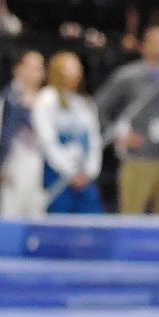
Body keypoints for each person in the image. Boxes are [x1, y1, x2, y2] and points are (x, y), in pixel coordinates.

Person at [94, 25, 159, 215]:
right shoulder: (128, 75)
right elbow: (100, 107)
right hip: (139, 158)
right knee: (131, 213)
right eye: (155, 42)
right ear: (144, 46)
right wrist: (120, 135)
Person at [32, 51, 103, 215]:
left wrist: (90, 171)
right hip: (58, 174)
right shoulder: (46, 99)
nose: (74, 72)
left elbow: (94, 139)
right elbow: (47, 140)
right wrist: (70, 171)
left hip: (85, 177)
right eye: (68, 67)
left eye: (76, 67)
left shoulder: (84, 102)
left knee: (92, 220)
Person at [0, 50, 46, 218]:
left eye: (39, 68)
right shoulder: (6, 99)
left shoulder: (47, 100)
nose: (36, 73)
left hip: (39, 167)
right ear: (18, 70)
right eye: (31, 67)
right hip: (13, 167)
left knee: (37, 217)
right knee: (10, 217)